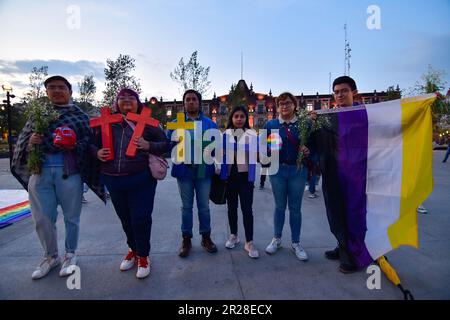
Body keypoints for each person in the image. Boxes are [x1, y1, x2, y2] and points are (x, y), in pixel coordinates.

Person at [11, 75, 100, 280]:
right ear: (46, 92)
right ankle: (50, 256)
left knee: (71, 216)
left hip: (69, 171)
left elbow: (88, 142)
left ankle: (70, 254)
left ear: (70, 91)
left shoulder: (79, 115)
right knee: (42, 218)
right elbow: (23, 143)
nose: (57, 91)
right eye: (52, 87)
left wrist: (73, 145)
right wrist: (31, 142)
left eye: (62, 87)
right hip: (40, 171)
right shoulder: (37, 116)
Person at [92, 88, 169, 279]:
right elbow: (89, 143)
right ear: (116, 102)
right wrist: (96, 152)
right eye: (122, 98)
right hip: (113, 178)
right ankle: (132, 249)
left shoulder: (149, 123)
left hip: (141, 178)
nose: (126, 101)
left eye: (131, 98)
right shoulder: (106, 121)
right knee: (125, 218)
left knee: (141, 218)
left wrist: (149, 145)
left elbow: (166, 144)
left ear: (137, 102)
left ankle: (143, 255)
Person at [168, 89, 218, 258]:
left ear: (199, 102)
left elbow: (216, 148)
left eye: (194, 99)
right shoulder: (176, 123)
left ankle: (206, 237)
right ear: (184, 103)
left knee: (204, 207)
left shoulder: (210, 124)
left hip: (204, 172)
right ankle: (186, 239)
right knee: (186, 207)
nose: (191, 102)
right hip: (184, 172)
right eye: (187, 99)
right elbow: (168, 147)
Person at [318, 76, 360, 273]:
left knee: (354, 213)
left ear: (354, 93)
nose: (340, 94)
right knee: (335, 211)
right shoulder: (330, 116)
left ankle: (351, 255)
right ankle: (342, 244)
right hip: (334, 173)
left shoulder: (365, 115)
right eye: (336, 92)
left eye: (344, 90)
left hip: (358, 175)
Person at [264, 92, 310, 261]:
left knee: (295, 208)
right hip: (277, 170)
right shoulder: (271, 124)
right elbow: (265, 148)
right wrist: (269, 150)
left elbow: (313, 146)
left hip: (298, 170)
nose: (285, 106)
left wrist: (308, 151)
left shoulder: (304, 124)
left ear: (294, 105)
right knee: (279, 206)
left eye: (288, 103)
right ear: (278, 106)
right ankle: (277, 239)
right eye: (281, 103)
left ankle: (296, 242)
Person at [222, 106, 259, 258]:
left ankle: (249, 241)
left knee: (247, 210)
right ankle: (234, 235)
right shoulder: (225, 134)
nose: (239, 119)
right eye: (236, 116)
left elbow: (257, 156)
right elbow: (219, 155)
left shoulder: (251, 135)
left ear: (246, 118)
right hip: (230, 177)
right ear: (231, 118)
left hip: (245, 178)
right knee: (231, 208)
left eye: (242, 116)